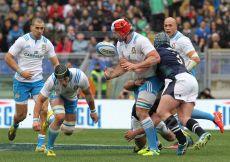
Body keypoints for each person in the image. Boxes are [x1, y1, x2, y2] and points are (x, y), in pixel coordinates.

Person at [104, 18, 163, 156]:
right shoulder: (120, 44)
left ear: (123, 31)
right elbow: (124, 66)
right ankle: (157, 143)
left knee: (141, 111)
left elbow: (155, 58)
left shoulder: (140, 40)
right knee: (143, 114)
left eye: (115, 32)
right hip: (138, 82)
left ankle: (154, 148)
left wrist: (136, 66)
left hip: (150, 79)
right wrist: (111, 75)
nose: (114, 35)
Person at [4, 18, 59, 151]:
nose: (40, 31)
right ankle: (15, 125)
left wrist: (60, 76)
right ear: (31, 28)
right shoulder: (22, 40)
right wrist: (21, 71)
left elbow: (55, 63)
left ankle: (40, 144)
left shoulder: (47, 43)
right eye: (37, 28)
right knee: (21, 115)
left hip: (37, 82)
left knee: (44, 109)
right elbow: (8, 57)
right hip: (21, 82)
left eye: (42, 28)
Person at [154, 32, 211, 155]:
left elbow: (152, 68)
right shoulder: (174, 52)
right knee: (184, 118)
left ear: (156, 43)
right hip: (191, 80)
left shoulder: (158, 52)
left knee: (161, 111)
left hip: (178, 80)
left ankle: (182, 140)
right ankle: (202, 133)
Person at [164, 17, 224, 133]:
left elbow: (196, 58)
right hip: (177, 78)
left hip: (184, 78)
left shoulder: (182, 40)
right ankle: (213, 117)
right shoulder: (168, 40)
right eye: (165, 25)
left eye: (170, 25)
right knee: (181, 110)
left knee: (175, 110)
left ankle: (182, 140)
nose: (167, 28)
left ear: (176, 26)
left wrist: (183, 72)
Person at [33, 65, 98, 157]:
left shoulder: (80, 77)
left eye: (65, 79)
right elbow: (40, 100)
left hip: (71, 99)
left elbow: (88, 94)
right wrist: (35, 120)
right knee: (60, 117)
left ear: (69, 75)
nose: (63, 82)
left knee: (68, 131)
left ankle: (50, 118)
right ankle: (49, 148)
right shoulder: (51, 80)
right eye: (60, 80)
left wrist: (93, 111)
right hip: (57, 96)